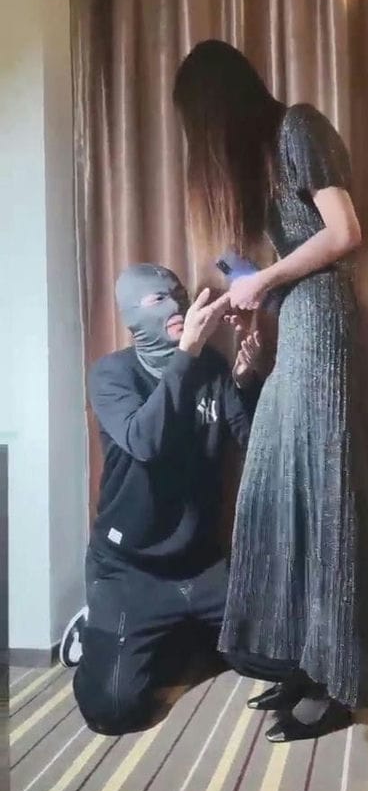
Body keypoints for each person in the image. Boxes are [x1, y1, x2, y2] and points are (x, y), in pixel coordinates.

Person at [173, 40, 368, 743]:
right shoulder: (264, 154)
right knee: (277, 491)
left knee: (328, 496)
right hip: (300, 324)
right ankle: (301, 660)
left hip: (328, 325)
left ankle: (342, 681)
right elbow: (298, 254)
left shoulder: (298, 126)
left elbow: (345, 232)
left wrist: (266, 280)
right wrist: (254, 298)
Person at [68, 262, 286, 736]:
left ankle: (178, 634)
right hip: (129, 568)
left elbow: (251, 442)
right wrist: (187, 350)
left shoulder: (210, 366)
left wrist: (248, 379)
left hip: (200, 564)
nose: (177, 307)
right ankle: (97, 627)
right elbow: (145, 442)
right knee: (113, 709)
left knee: (278, 660)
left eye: (180, 297)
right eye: (158, 300)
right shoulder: (112, 374)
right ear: (132, 315)